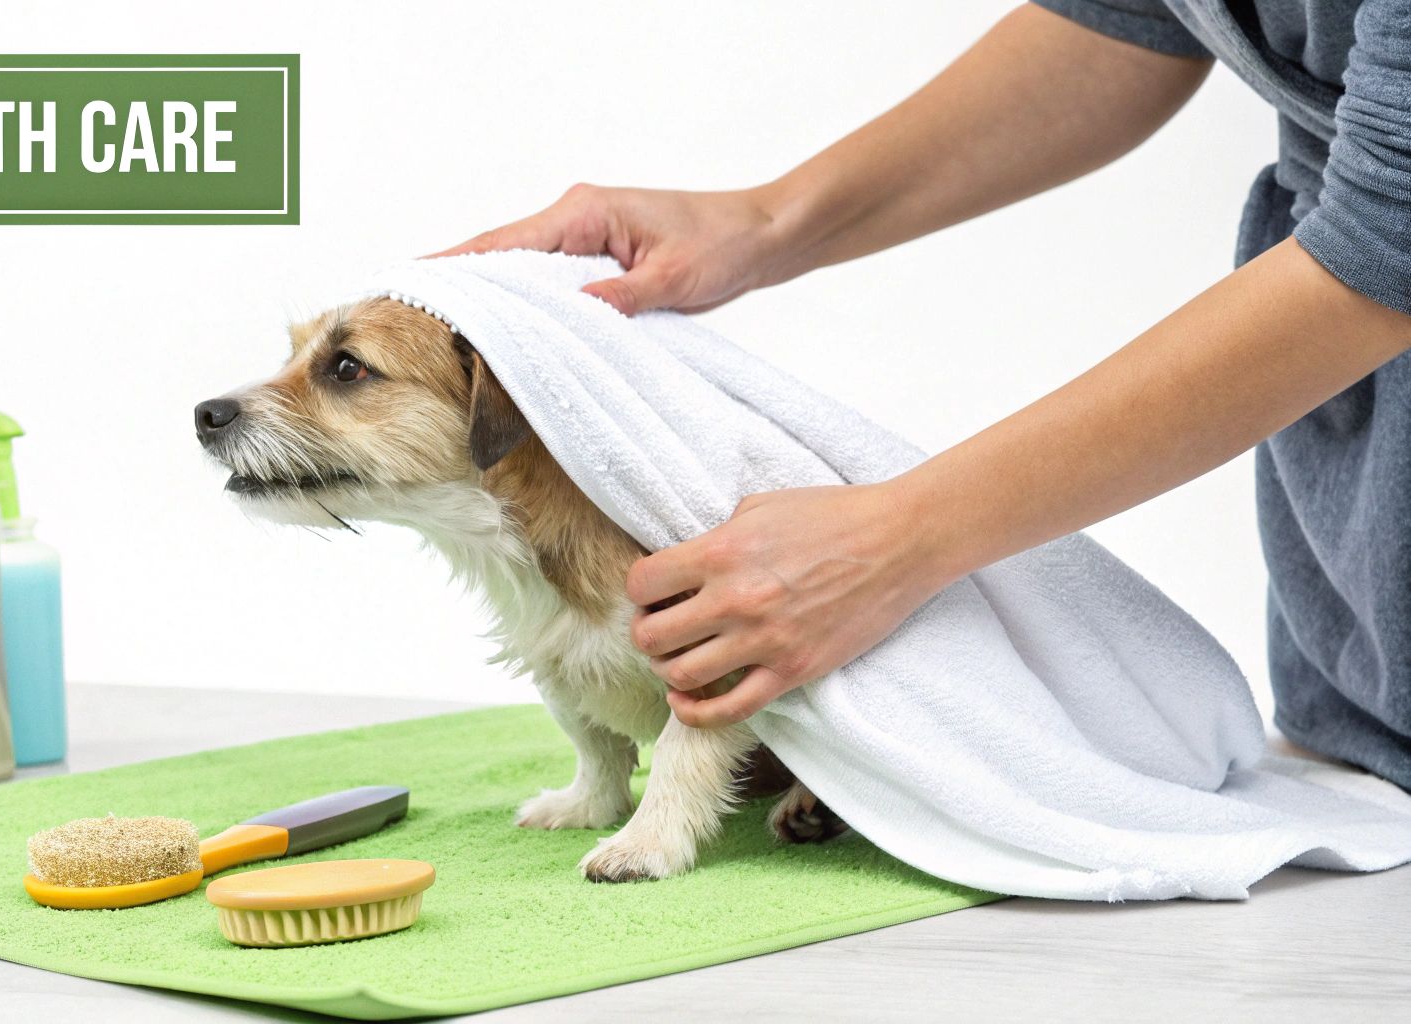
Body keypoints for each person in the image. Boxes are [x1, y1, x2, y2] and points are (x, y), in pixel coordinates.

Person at [435, 1, 1411, 788]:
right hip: (1357, 642)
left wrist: (898, 537)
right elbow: (1129, 19)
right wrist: (763, 223)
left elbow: (1383, 244)